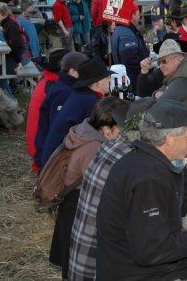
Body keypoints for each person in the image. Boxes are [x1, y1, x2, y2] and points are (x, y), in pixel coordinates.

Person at [96, 99, 187, 280]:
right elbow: (151, 250)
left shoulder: (144, 159)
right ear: (169, 138)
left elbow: (177, 209)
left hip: (145, 269)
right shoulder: (148, 178)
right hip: (140, 274)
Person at [68, 98, 155, 280]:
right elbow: (153, 204)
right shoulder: (123, 156)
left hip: (86, 253)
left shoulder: (107, 146)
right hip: (97, 263)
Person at [48, 97, 129, 279]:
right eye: (121, 128)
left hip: (72, 204)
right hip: (78, 205)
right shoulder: (94, 147)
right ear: (107, 129)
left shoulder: (85, 132)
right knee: (76, 261)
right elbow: (104, 185)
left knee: (71, 259)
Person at [40, 58, 113, 167]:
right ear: (98, 83)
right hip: (60, 164)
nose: (110, 80)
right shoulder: (90, 102)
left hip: (54, 157)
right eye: (107, 77)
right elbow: (106, 133)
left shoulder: (81, 95)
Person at [34, 51, 88, 167]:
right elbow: (58, 128)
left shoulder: (63, 86)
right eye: (83, 70)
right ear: (72, 71)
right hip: (53, 157)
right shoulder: (64, 92)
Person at [25, 48, 69, 172]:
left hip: (37, 146)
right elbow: (59, 126)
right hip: (42, 152)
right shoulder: (56, 88)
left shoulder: (48, 80)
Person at [148, 39, 187, 105]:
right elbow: (165, 87)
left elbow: (161, 104)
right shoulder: (184, 67)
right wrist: (156, 93)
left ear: (176, 58)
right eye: (159, 63)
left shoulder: (184, 77)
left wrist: (157, 94)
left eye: (163, 61)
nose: (160, 66)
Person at [110, 5, 149, 89]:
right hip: (132, 80)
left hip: (128, 78)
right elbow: (131, 60)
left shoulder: (124, 30)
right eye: (138, 14)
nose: (139, 17)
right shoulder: (126, 34)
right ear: (132, 15)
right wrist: (143, 71)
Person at [0, 2, 30, 94]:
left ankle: (9, 100)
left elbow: (18, 46)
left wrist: (19, 62)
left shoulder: (11, 25)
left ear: (4, 13)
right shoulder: (6, 23)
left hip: (21, 58)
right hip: (17, 55)